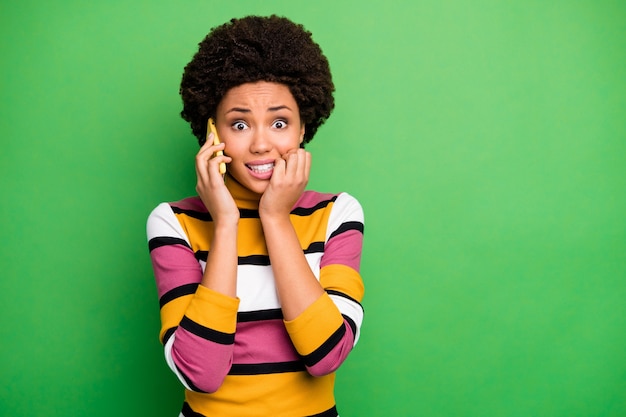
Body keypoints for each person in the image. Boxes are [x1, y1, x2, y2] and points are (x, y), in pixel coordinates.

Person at [146, 15, 365, 417]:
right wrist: (225, 223)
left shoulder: (337, 214)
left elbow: (326, 355)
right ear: (212, 131)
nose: (261, 143)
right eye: (240, 123)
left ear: (302, 129)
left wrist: (276, 219)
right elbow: (202, 374)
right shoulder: (172, 222)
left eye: (279, 122)